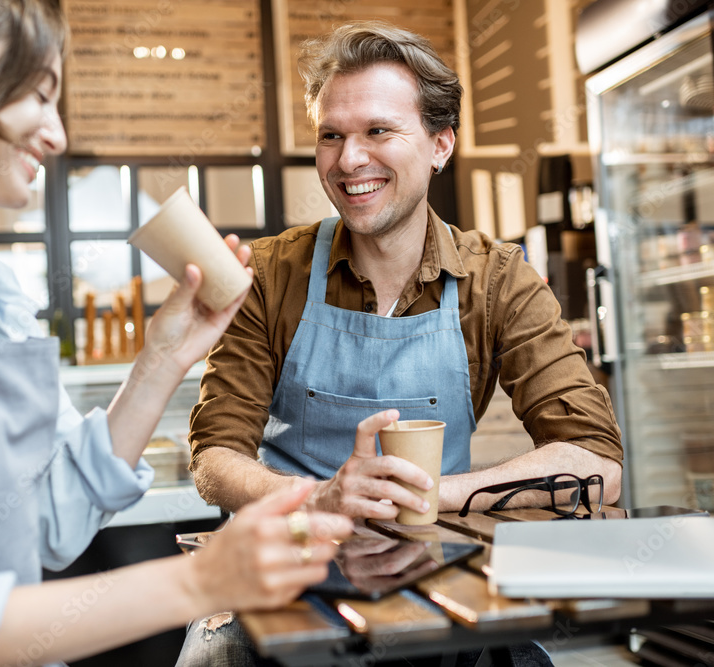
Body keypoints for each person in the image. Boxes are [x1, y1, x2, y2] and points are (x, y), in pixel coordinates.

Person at [0, 2, 352, 666]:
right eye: (40, 95)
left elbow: (45, 520)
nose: (56, 132)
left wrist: (165, 353)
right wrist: (202, 578)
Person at [179, 20, 623, 666]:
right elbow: (216, 457)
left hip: (433, 570)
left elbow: (596, 463)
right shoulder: (272, 273)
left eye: (378, 131)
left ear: (442, 143)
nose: (349, 159)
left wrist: (426, 496)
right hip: (278, 575)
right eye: (331, 135)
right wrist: (321, 500)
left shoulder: (497, 279)